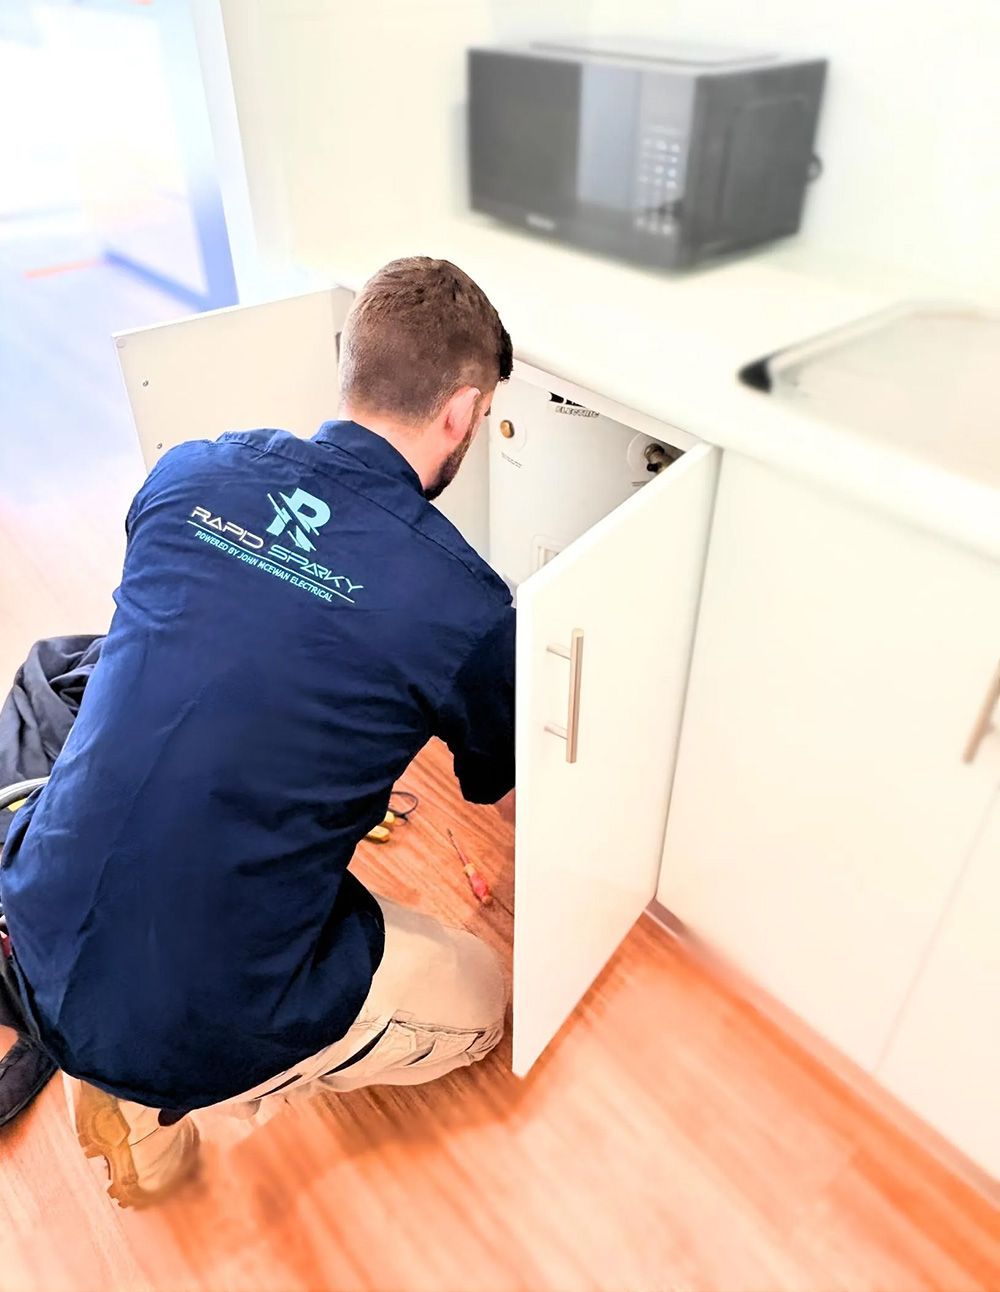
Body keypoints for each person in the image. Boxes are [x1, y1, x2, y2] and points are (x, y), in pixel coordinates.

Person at [0, 257, 515, 1208]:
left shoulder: (188, 471)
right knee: (486, 1000)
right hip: (191, 1001)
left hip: (34, 910)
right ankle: (152, 1088)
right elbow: (490, 779)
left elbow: (199, 644)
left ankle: (113, 1037)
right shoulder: (466, 603)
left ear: (351, 369)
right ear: (463, 412)